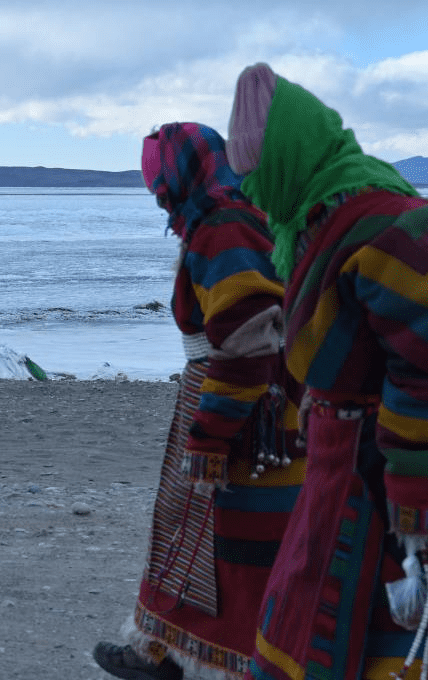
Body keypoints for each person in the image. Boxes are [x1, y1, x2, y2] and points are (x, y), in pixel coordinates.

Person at [225, 63, 428, 679]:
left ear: (290, 159)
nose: (249, 191)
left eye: (256, 173)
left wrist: (417, 505)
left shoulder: (376, 226)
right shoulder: (313, 222)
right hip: (360, 457)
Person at [93, 122, 304, 680]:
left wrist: (210, 436)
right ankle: (154, 649)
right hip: (260, 410)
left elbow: (248, 340)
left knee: (233, 547)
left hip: (245, 416)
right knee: (195, 529)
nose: (158, 197)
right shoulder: (240, 217)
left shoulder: (224, 229)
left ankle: (231, 662)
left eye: (159, 185)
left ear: (177, 181)